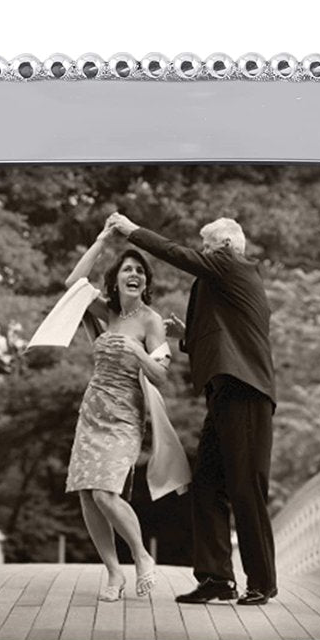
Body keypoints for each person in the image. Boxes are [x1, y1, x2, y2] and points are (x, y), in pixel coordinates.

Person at [106, 212, 277, 606]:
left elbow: (174, 253)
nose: (203, 252)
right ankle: (217, 578)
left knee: (245, 488)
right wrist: (189, 336)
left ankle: (262, 582)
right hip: (223, 394)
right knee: (205, 486)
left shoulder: (234, 265)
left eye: (208, 246)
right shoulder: (223, 283)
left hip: (246, 392)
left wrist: (133, 230)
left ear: (226, 247)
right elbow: (227, 334)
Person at [26, 223, 190, 601]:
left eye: (140, 271)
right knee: (87, 494)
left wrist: (137, 351)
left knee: (104, 492)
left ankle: (142, 557)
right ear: (115, 280)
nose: (134, 274)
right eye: (127, 269)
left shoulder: (150, 321)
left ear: (146, 282)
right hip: (92, 412)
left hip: (125, 417)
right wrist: (102, 238)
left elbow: (161, 375)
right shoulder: (105, 312)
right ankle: (114, 574)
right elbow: (73, 283)